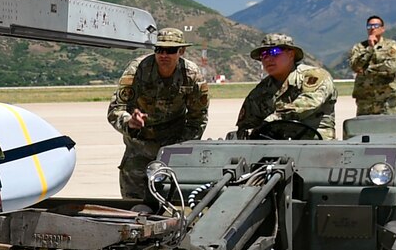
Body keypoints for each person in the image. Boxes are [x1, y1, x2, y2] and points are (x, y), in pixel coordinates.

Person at [105, 26, 210, 198]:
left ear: (181, 51)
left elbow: (197, 119)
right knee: (133, 206)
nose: (164, 55)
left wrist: (179, 148)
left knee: (174, 202)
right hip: (139, 146)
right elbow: (116, 109)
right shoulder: (138, 70)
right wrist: (129, 122)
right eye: (159, 49)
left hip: (174, 148)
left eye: (170, 50)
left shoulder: (191, 76)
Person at [235, 33, 339, 139]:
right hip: (275, 150)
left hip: (317, 148)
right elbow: (246, 126)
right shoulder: (260, 92)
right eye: (264, 55)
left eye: (274, 52)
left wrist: (270, 121)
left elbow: (305, 105)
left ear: (291, 54)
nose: (268, 59)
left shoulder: (314, 77)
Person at [346, 14, 396, 115]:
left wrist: (367, 70)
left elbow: (391, 67)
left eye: (376, 26)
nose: (372, 28)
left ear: (382, 29)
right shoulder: (359, 48)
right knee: (363, 129)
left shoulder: (391, 46)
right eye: (369, 26)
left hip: (386, 98)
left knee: (389, 128)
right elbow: (355, 66)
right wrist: (370, 49)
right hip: (365, 99)